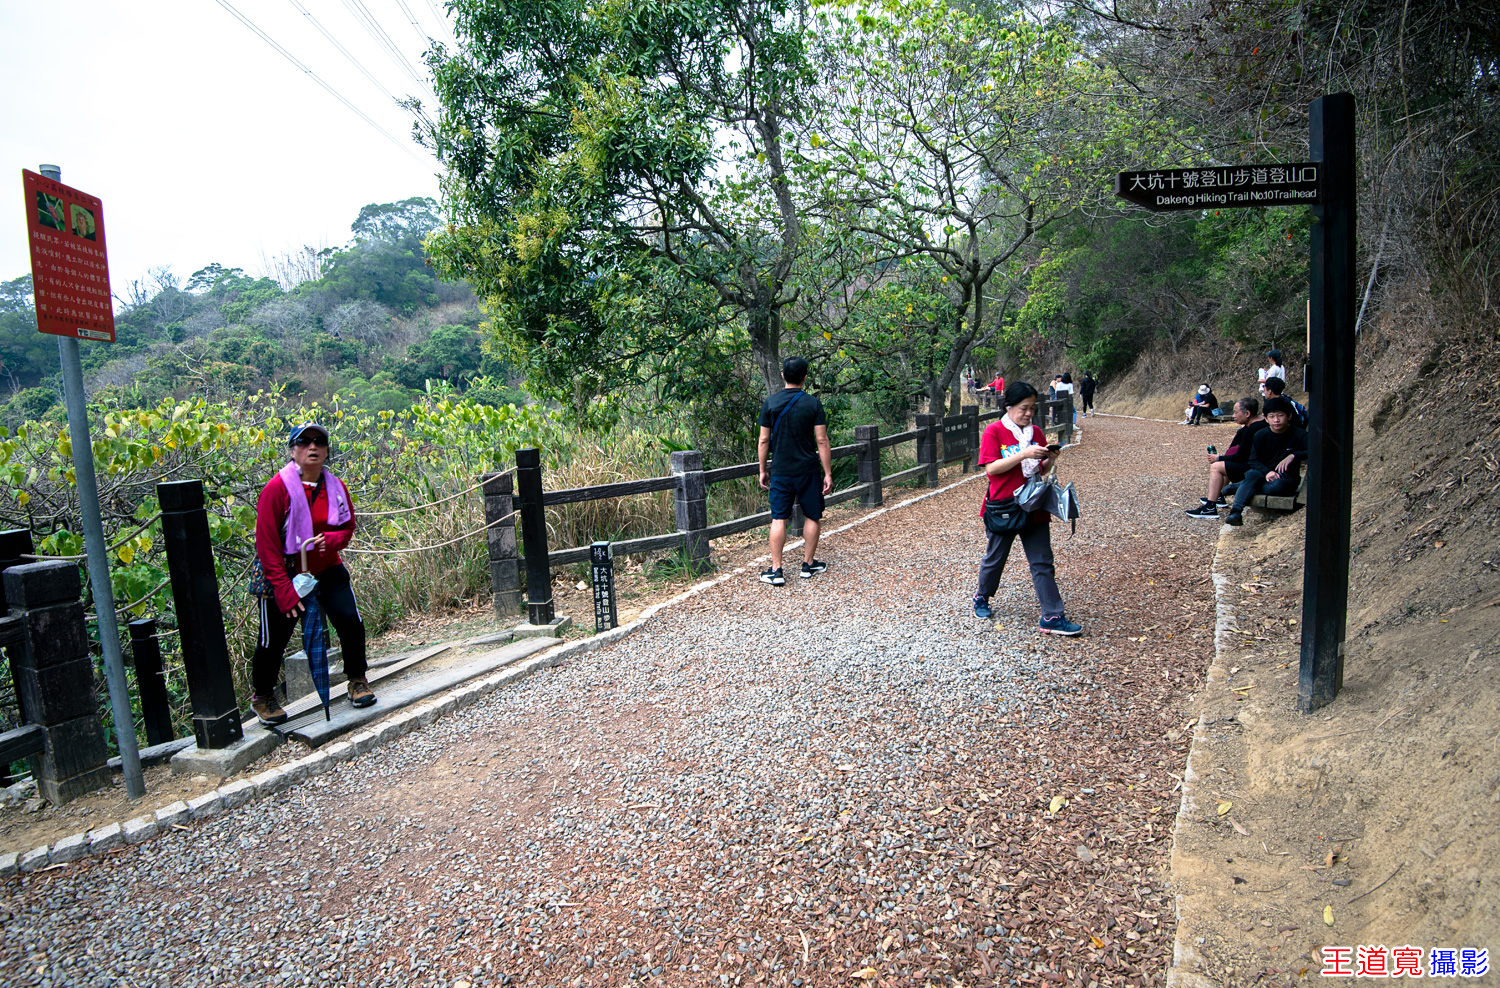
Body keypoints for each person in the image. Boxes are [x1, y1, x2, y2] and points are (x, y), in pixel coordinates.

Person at [249, 423, 375, 725]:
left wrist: (330, 541)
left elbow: (347, 528)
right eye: (304, 442)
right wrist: (283, 588)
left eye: (319, 441)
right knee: (274, 637)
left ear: (327, 450)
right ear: (293, 450)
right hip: (285, 572)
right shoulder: (276, 489)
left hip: (327, 567)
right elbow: (266, 544)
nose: (313, 447)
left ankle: (357, 680)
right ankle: (263, 696)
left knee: (350, 621)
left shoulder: (335, 487)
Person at [971, 382, 1082, 635]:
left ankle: (1052, 617)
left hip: (1035, 504)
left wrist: (1049, 461)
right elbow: (991, 469)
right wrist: (1023, 454)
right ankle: (982, 596)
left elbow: (1040, 471)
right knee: (995, 558)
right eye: (1024, 408)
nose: (1029, 413)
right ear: (1008, 406)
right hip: (1004, 505)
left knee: (1042, 561)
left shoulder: (1036, 433)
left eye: (1032, 408)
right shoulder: (994, 431)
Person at [757, 357, 834, 585]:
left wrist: (763, 469)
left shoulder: (770, 403)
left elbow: (763, 441)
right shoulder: (813, 404)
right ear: (805, 377)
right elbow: (822, 440)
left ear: (783, 376)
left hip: (781, 471)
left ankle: (776, 570)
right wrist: (827, 473)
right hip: (808, 470)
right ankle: (808, 565)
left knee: (778, 517)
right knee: (812, 515)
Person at [1224, 396, 1308, 527]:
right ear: (1266, 417)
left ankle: (1241, 486)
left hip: (1285, 478)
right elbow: (1253, 460)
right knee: (1252, 474)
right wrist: (1268, 472)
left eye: (1280, 415)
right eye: (1272, 416)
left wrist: (1294, 455)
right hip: (1262, 474)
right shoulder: (1261, 435)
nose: (1276, 420)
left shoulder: (1299, 434)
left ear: (1289, 416)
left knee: (1276, 487)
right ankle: (1235, 512)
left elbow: (1315, 450)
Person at [1185, 397, 1265, 518]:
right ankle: (1219, 497)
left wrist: (1218, 458)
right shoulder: (1255, 424)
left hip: (1254, 469)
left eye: (1236, 412)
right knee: (1225, 463)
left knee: (1217, 467)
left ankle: (1210, 507)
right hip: (1257, 466)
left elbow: (1240, 457)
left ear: (1247, 413)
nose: (1233, 416)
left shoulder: (1252, 430)